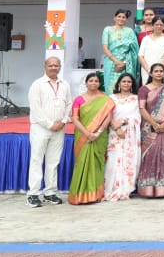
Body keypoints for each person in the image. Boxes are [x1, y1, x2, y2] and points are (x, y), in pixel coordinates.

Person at [26, 57, 73, 207]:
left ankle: (50, 192)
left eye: (56, 65)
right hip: (41, 128)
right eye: (51, 65)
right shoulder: (37, 84)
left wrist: (63, 121)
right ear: (45, 66)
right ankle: (33, 194)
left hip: (59, 128)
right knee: (37, 160)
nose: (53, 68)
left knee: (53, 161)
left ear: (60, 67)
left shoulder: (65, 84)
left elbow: (69, 104)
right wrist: (50, 124)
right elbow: (35, 108)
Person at [68, 72, 114, 205]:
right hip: (83, 136)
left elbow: (108, 118)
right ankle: (79, 195)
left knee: (97, 164)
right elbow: (75, 118)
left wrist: (97, 133)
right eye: (91, 81)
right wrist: (87, 133)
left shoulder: (106, 100)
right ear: (86, 83)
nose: (93, 83)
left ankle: (95, 195)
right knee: (82, 163)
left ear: (99, 83)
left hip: (99, 136)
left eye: (96, 81)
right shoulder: (78, 99)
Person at [135, 63, 164, 198]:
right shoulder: (144, 89)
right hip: (148, 128)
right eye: (156, 71)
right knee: (149, 155)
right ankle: (147, 189)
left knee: (163, 155)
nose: (158, 73)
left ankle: (163, 189)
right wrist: (154, 124)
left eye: (161, 71)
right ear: (151, 73)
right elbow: (142, 109)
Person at [103, 72, 141, 201]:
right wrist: (116, 128)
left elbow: (137, 117)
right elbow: (107, 115)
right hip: (114, 133)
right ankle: (111, 189)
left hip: (129, 134)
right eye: (124, 81)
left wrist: (124, 121)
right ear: (119, 83)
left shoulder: (136, 99)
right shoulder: (111, 98)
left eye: (129, 82)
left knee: (128, 159)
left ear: (132, 84)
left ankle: (125, 190)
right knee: (113, 160)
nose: (126, 84)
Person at [102, 9, 139, 96]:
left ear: (126, 19)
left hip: (126, 64)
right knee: (110, 88)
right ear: (114, 18)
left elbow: (134, 50)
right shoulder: (108, 29)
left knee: (125, 86)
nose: (121, 19)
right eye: (119, 16)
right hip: (111, 62)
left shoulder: (129, 31)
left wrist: (124, 63)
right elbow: (105, 48)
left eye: (124, 17)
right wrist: (117, 62)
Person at [138, 16, 164, 85]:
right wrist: (149, 70)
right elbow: (140, 56)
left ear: (163, 26)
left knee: (163, 88)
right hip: (147, 69)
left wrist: (159, 69)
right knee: (148, 88)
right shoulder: (146, 39)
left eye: (161, 25)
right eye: (156, 24)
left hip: (163, 69)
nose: (159, 26)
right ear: (152, 26)